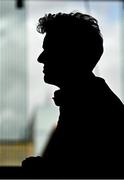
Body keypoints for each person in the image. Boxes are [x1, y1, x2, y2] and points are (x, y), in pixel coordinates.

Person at [22, 12, 124, 178]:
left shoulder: (87, 107)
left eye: (49, 50)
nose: (40, 58)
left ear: (70, 55)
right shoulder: (91, 100)